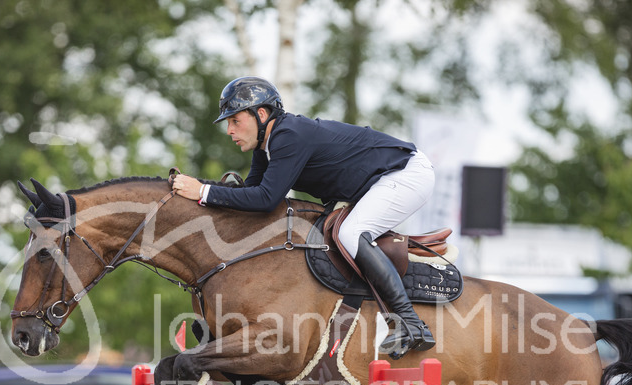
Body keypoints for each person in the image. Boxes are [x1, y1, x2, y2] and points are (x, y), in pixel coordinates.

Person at [172, 76, 437, 359]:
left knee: (350, 233)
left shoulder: (289, 136)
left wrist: (202, 190)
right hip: (379, 179)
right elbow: (251, 193)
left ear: (261, 115)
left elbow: (265, 200)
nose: (229, 130)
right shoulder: (268, 144)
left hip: (406, 174)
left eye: (235, 121)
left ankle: (410, 323)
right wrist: (202, 196)